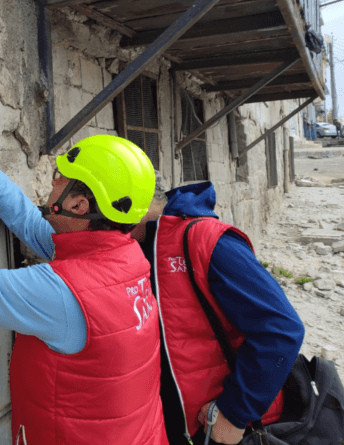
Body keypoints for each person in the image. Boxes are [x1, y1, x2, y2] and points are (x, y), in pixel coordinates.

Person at [0, 114, 169, 445]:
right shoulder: (125, 258)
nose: (52, 182)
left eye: (59, 177)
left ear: (78, 205)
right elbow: (28, 221)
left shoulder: (64, 293)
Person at [131, 182, 305, 445]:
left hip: (217, 424)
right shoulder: (145, 243)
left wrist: (234, 413)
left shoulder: (207, 240)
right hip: (176, 420)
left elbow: (280, 328)